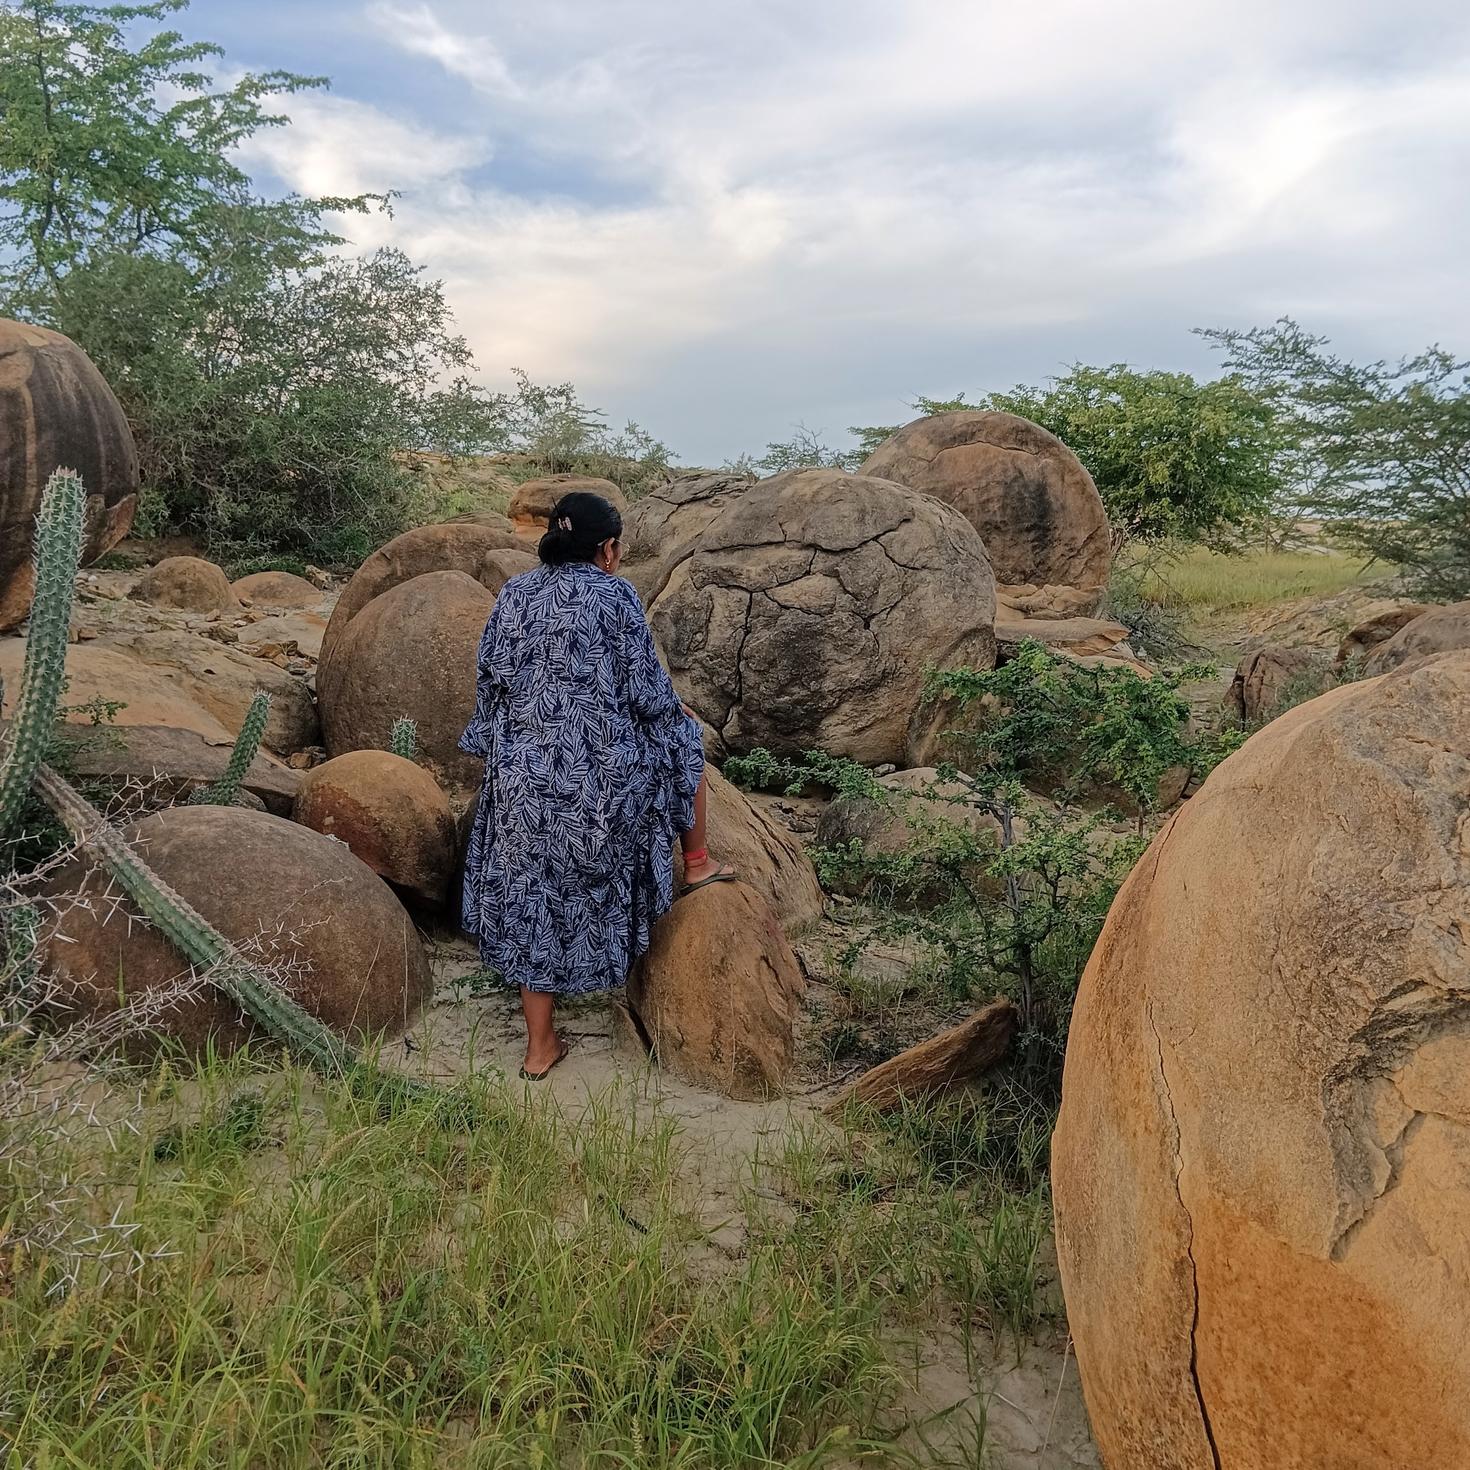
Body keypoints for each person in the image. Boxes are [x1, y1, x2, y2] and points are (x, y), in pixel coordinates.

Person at [458, 490, 734, 1080]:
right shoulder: (616, 596)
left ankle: (539, 1048)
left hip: (526, 784)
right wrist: (674, 714)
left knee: (535, 894)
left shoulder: (514, 594)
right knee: (683, 742)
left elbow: (491, 689)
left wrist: (518, 756)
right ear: (607, 548)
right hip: (598, 791)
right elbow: (646, 694)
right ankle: (697, 862)